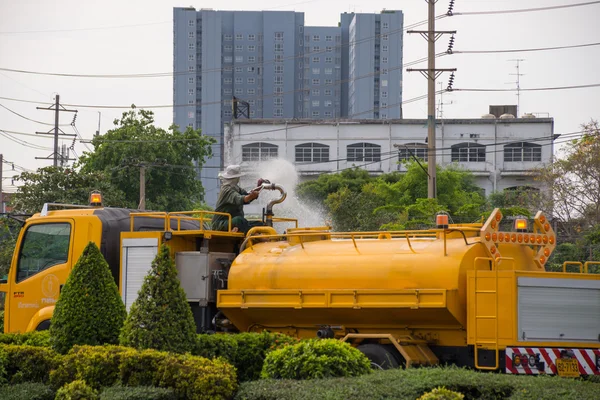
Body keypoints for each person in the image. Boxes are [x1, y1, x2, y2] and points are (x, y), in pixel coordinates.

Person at [211, 165, 263, 234]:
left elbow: (248, 195)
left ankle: (260, 233)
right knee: (239, 220)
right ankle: (255, 235)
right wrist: (251, 196)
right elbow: (242, 199)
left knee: (260, 224)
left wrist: (259, 186)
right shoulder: (226, 190)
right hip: (220, 224)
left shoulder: (236, 188)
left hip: (231, 222)